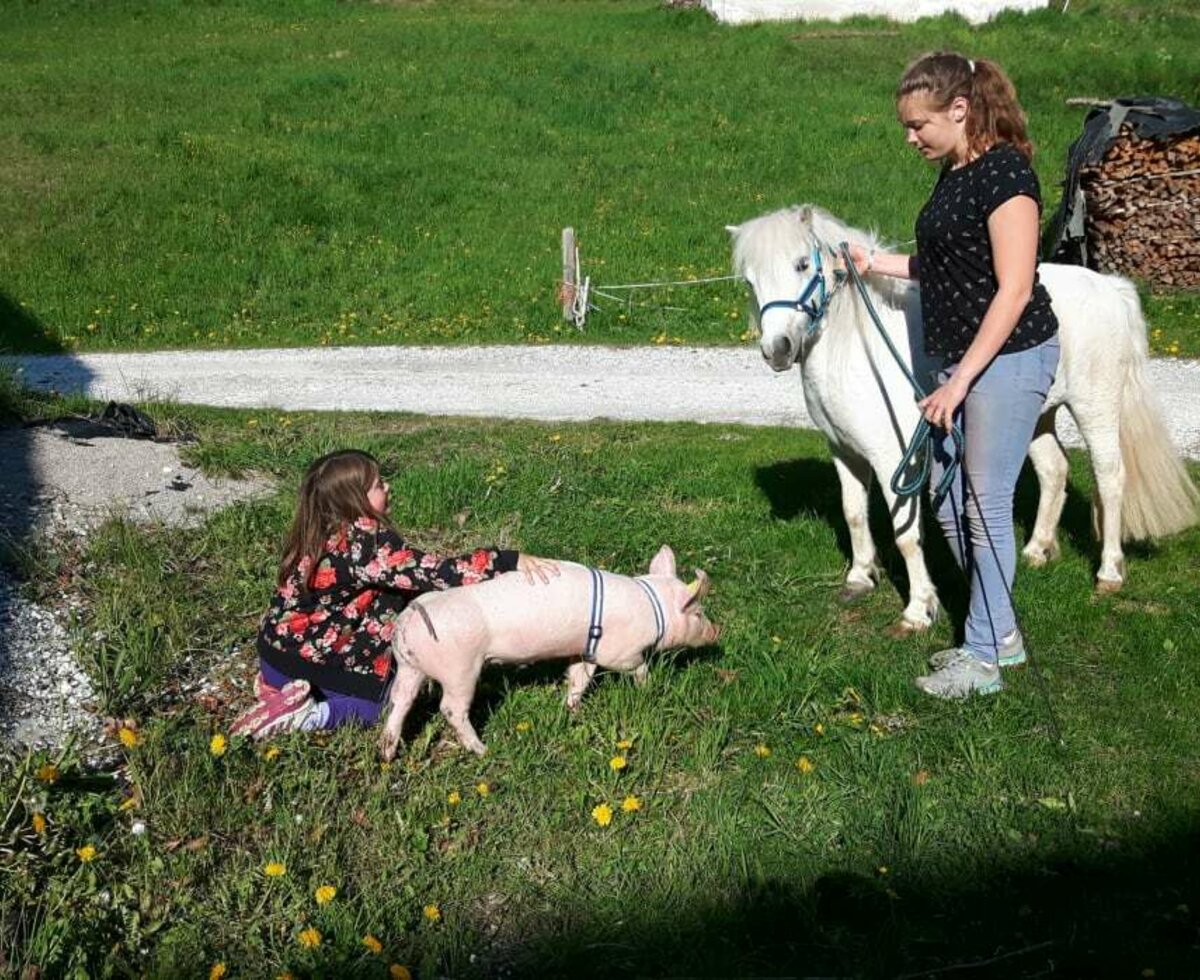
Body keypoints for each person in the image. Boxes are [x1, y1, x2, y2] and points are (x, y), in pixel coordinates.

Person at [848, 52, 1060, 698]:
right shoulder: (953, 174)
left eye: (919, 125)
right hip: (957, 365)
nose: (911, 138)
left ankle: (982, 658)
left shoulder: (1006, 176)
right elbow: (944, 265)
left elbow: (1015, 288)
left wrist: (962, 379)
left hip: (1007, 356)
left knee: (984, 498)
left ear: (959, 110)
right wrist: (873, 261)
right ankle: (999, 631)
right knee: (943, 497)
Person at [232, 448, 557, 737]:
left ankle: (278, 690)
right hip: (305, 662)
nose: (388, 487)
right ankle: (307, 716)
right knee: (392, 703)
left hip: (274, 655)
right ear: (354, 500)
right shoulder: (366, 544)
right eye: (378, 484)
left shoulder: (318, 530)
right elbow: (437, 574)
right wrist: (505, 560)